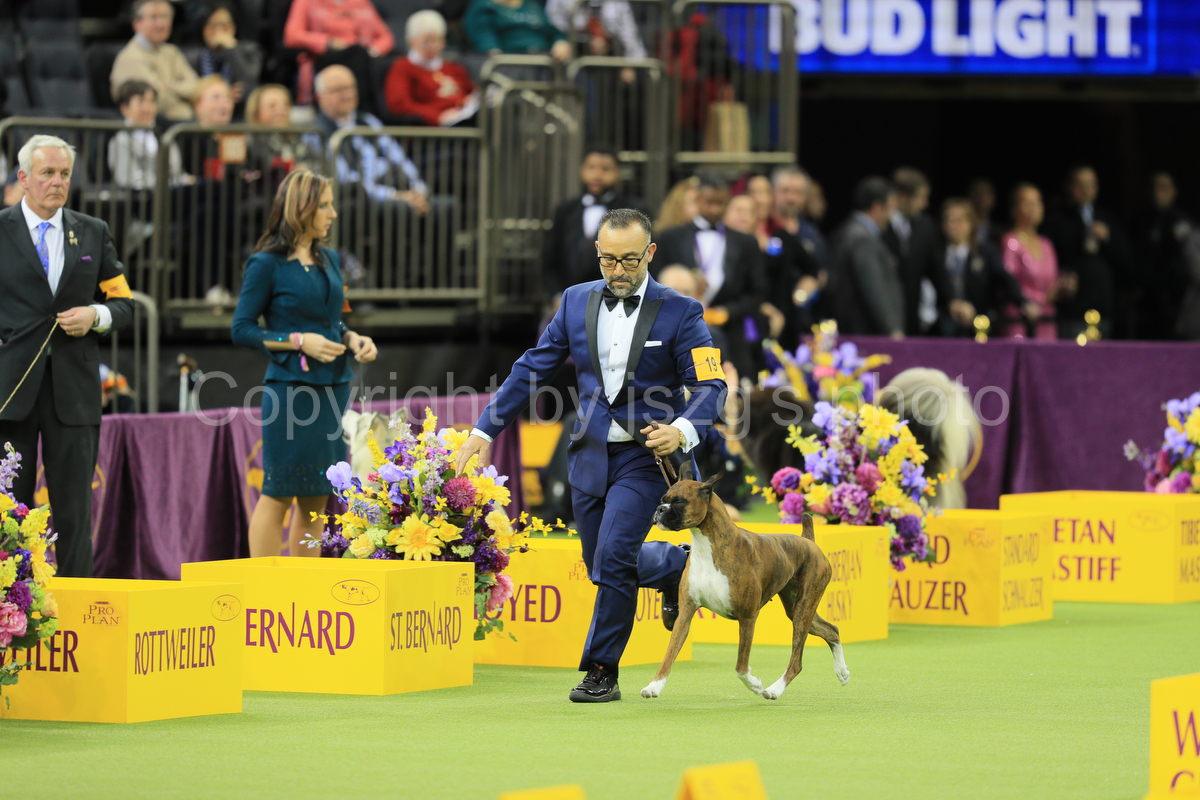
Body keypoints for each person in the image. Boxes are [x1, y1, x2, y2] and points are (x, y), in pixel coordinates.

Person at [455, 208, 726, 702]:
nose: (618, 271)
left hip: (648, 457)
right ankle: (673, 567)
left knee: (615, 557)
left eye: (629, 260)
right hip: (590, 453)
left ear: (650, 253)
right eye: (608, 260)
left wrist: (682, 429)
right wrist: (484, 429)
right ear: (597, 253)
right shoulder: (575, 300)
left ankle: (602, 671)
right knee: (600, 561)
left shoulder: (682, 310)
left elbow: (711, 385)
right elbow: (532, 368)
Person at [0, 135, 135, 577]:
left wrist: (95, 315)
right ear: (24, 178)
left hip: (74, 393)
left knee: (75, 515)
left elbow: (124, 303)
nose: (57, 182)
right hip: (10, 392)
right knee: (7, 515)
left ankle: (78, 606)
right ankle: (12, 604)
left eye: (64, 174)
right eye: (47, 173)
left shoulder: (93, 230)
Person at [231, 169, 378, 558]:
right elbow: (242, 328)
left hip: (334, 389)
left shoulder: (330, 259)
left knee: (317, 495)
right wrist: (296, 341)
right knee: (278, 492)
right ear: (302, 209)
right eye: (325, 206)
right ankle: (263, 585)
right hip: (290, 392)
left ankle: (303, 585)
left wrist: (351, 338)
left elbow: (332, 320)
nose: (333, 214)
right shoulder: (266, 264)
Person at [652, 173, 767, 379]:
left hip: (733, 334)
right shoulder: (670, 238)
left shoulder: (746, 242)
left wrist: (728, 312)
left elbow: (757, 291)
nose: (715, 209)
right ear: (697, 200)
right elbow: (656, 285)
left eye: (720, 203)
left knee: (734, 385)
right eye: (709, 202)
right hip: (681, 332)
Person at [310, 65, 427, 213]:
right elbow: (346, 181)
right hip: (360, 204)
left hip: (394, 192)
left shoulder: (369, 121)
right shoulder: (317, 132)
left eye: (351, 88)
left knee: (443, 208)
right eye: (338, 90)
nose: (347, 95)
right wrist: (394, 195)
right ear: (320, 97)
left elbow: (399, 158)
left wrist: (418, 191)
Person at [543, 147, 646, 297]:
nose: (597, 175)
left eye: (605, 169)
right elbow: (551, 258)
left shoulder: (634, 210)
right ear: (581, 170)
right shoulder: (564, 211)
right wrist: (557, 295)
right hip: (571, 297)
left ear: (617, 173)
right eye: (591, 167)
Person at [1042, 165, 1131, 339]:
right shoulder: (1056, 219)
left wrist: (1109, 238)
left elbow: (1126, 261)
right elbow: (1047, 260)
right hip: (1072, 309)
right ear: (1069, 186)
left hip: (1103, 308)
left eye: (1090, 185)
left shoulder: (1107, 218)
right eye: (1080, 184)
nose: (1085, 190)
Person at [939, 197, 1035, 338]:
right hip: (942, 327)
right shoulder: (936, 255)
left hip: (978, 327)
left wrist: (1023, 302)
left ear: (971, 223)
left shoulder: (985, 253)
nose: (952, 225)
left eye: (958, 220)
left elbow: (1003, 278)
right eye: (947, 220)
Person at [284, 0, 394, 113]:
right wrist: (328, 42)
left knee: (359, 54)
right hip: (324, 55)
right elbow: (292, 35)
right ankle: (364, 110)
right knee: (357, 54)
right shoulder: (306, 2)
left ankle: (362, 111)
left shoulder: (360, 2)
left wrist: (372, 51)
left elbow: (386, 37)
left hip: (359, 55)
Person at [883, 167, 953, 337]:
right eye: (921, 198)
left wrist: (952, 301)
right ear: (902, 197)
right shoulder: (879, 226)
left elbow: (936, 269)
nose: (925, 204)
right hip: (882, 322)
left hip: (912, 322)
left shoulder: (925, 226)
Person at [832, 176, 904, 338]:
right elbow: (873, 287)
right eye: (891, 209)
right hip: (867, 333)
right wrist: (892, 329)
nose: (891, 217)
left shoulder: (849, 231)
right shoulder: (862, 238)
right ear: (878, 207)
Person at [110, 0, 200, 121]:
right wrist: (184, 94)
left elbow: (197, 87)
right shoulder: (130, 57)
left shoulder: (171, 51)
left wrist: (169, 87)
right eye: (154, 17)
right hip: (157, 124)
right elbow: (157, 100)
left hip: (183, 120)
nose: (161, 24)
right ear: (137, 24)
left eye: (165, 17)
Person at [384, 11, 478, 127]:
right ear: (412, 42)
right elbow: (399, 105)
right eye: (427, 41)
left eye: (437, 40)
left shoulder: (453, 67)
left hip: (465, 120)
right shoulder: (403, 67)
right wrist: (438, 116)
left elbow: (472, 92)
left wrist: (468, 102)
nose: (433, 45)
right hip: (431, 129)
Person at [1000, 183, 1067, 340]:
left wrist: (1063, 287)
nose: (1033, 208)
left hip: (1047, 318)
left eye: (1037, 202)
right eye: (1027, 203)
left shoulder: (1047, 244)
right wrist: (1043, 298)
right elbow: (1008, 285)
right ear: (1014, 209)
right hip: (1020, 318)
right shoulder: (1011, 241)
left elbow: (1053, 281)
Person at [1138, 171, 1192, 340]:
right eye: (1154, 188)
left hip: (1176, 302)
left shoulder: (1182, 222)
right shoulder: (1141, 221)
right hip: (1148, 303)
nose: (1158, 193)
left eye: (1164, 188)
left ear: (1174, 191)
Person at [108, 80, 188, 191]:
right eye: (140, 101)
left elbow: (177, 172)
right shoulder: (120, 141)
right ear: (124, 108)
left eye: (151, 101)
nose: (147, 108)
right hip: (140, 198)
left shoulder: (165, 137)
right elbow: (128, 179)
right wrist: (168, 184)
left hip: (170, 195)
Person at [546, 0, 644, 82]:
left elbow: (631, 38)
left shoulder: (619, 3)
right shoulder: (562, 2)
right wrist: (562, 40)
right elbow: (552, 26)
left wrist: (630, 64)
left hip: (610, 61)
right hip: (574, 58)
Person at [188, 2, 263, 107]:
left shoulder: (250, 50)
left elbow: (249, 81)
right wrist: (222, 94)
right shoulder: (193, 58)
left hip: (239, 109)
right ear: (203, 29)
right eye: (213, 25)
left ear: (234, 27)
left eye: (224, 25)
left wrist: (232, 49)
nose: (219, 31)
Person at [463, 0, 573, 61]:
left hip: (546, 61)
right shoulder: (483, 6)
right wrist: (496, 56)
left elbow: (552, 31)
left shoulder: (531, 4)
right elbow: (486, 42)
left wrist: (560, 41)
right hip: (512, 64)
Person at [968, 177, 1000, 248]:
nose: (980, 197)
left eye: (985, 193)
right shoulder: (961, 228)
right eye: (976, 192)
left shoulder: (1000, 233)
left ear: (993, 198)